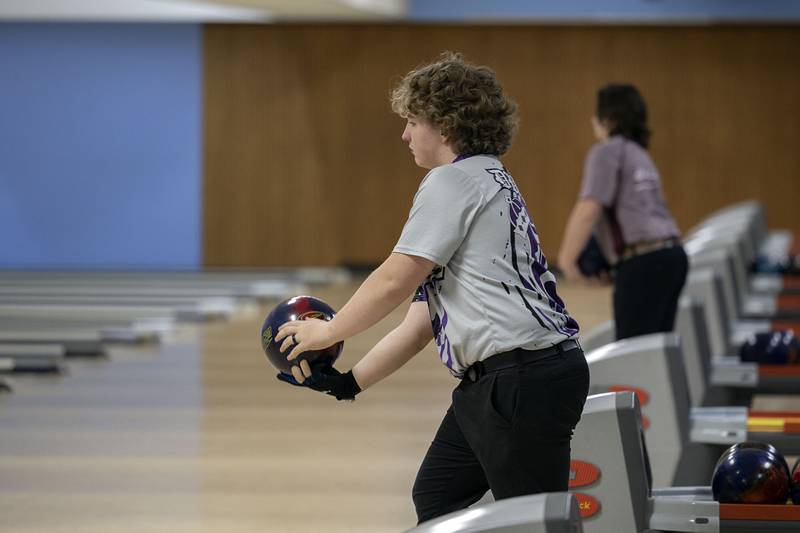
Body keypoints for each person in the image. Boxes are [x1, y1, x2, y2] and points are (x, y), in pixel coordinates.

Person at [274, 52, 590, 525]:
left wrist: (328, 332)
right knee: (438, 498)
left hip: (519, 380)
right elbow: (421, 320)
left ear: (445, 124)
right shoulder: (488, 176)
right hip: (506, 380)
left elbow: (395, 277)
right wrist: (350, 382)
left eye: (412, 120)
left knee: (533, 522)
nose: (404, 134)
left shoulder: (453, 180)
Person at [558, 83, 688, 340]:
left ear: (608, 119)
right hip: (673, 257)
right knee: (655, 352)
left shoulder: (606, 152)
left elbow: (589, 208)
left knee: (634, 355)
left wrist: (567, 260)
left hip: (643, 263)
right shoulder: (640, 154)